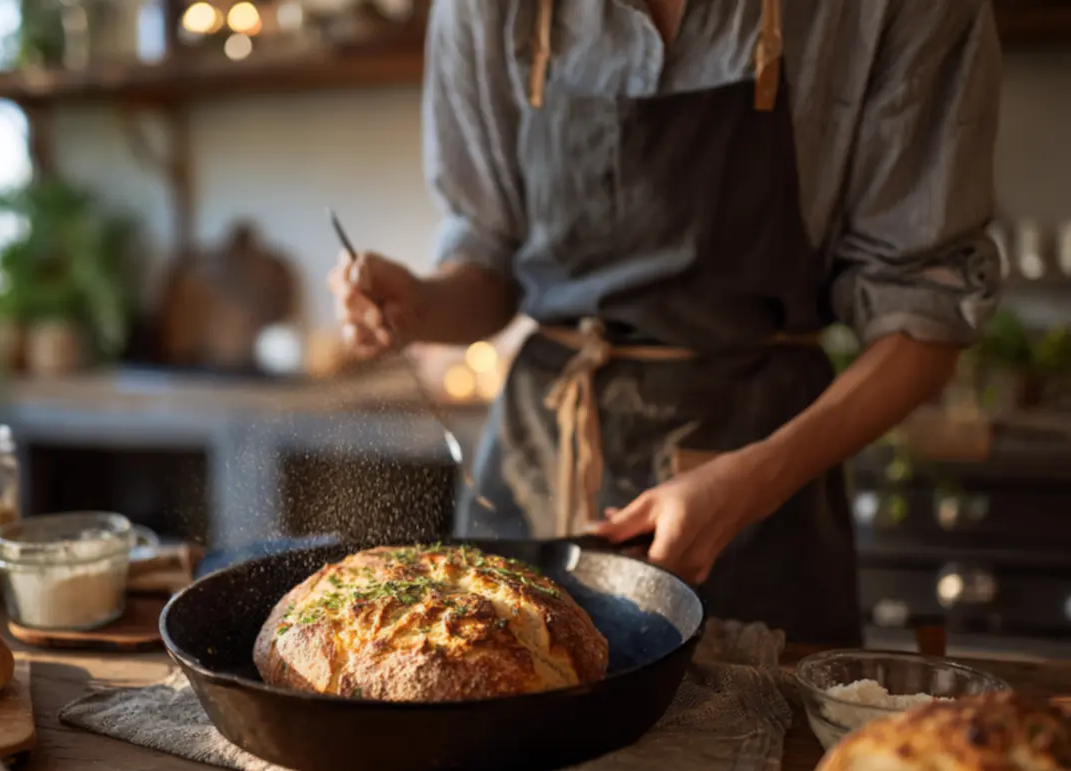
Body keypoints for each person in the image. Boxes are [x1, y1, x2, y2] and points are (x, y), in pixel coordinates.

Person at [327, 0, 1001, 646]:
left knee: (756, 714)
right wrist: (417, 305)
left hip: (764, 489)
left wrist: (755, 481)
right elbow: (489, 268)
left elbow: (925, 318)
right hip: (539, 475)